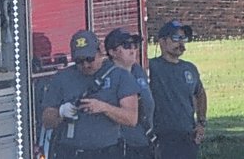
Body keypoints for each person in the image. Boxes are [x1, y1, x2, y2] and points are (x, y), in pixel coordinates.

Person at [41, 29, 139, 159]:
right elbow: (46, 121)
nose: (85, 65)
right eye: (79, 61)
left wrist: (104, 108)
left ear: (99, 53)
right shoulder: (62, 78)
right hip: (70, 152)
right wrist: (61, 112)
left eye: (89, 59)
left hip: (106, 152)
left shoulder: (119, 76)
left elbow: (131, 118)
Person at [148, 20, 207, 159]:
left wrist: (201, 123)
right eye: (175, 38)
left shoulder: (189, 68)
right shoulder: (152, 67)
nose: (180, 43)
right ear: (162, 41)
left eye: (183, 38)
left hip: (188, 135)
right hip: (162, 137)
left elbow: (200, 94)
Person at [104, 28, 156, 158]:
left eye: (135, 45)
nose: (133, 50)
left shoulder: (138, 71)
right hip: (119, 148)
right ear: (112, 52)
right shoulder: (105, 77)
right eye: (126, 46)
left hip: (144, 143)